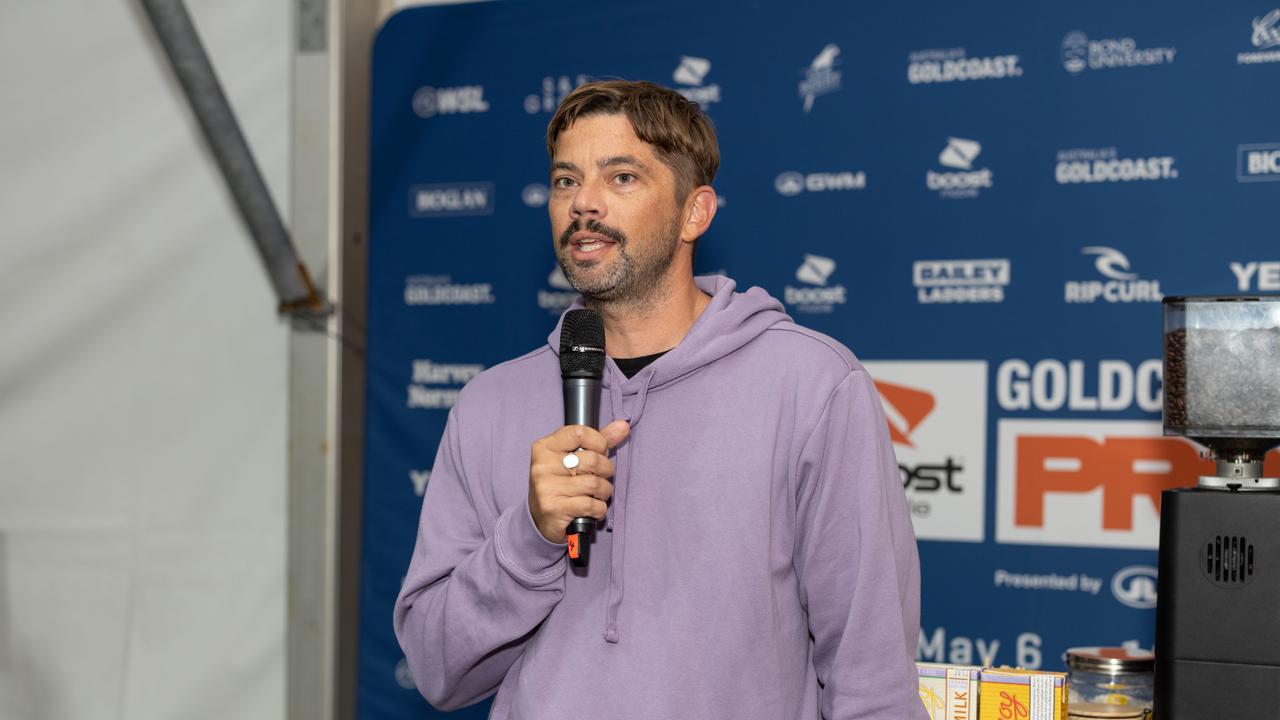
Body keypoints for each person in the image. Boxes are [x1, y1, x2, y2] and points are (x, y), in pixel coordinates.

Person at [394, 80, 926, 720]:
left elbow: (871, 676)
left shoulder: (811, 385)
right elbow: (433, 667)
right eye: (566, 181)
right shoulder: (489, 404)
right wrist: (530, 536)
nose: (583, 204)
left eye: (621, 178)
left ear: (694, 213)